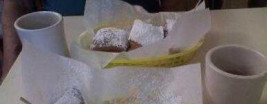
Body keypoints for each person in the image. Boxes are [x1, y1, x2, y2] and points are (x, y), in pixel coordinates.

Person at [1, 0, 219, 82]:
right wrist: (9, 70)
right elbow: (16, 4)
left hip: (153, 61)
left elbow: (181, 9)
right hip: (67, 51)